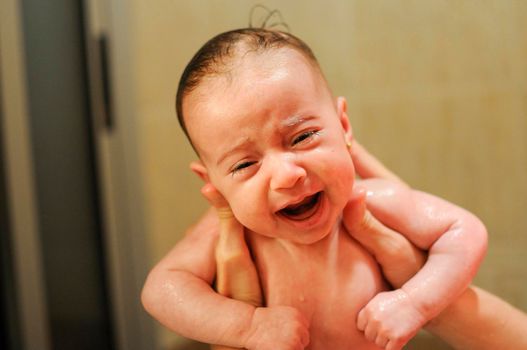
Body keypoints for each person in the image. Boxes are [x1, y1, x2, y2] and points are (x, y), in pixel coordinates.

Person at [141, 28, 488, 349]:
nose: (286, 175)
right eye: (245, 165)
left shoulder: (369, 200)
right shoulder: (229, 228)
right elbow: (161, 290)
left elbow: (465, 231)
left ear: (343, 126)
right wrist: (248, 325)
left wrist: (414, 302)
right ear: (213, 183)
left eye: (303, 137)